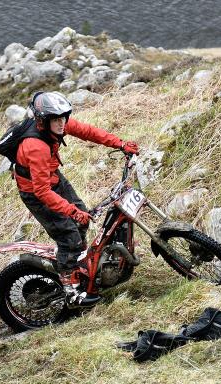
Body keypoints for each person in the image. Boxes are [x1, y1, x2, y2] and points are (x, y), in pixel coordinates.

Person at [13, 91, 139, 306]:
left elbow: (88, 132)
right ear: (44, 120)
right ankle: (70, 290)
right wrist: (71, 211)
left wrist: (120, 144)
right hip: (36, 192)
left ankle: (77, 265)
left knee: (84, 217)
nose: (63, 123)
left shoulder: (55, 125)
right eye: (57, 119)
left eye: (64, 118)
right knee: (68, 235)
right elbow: (42, 191)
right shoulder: (36, 146)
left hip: (53, 178)